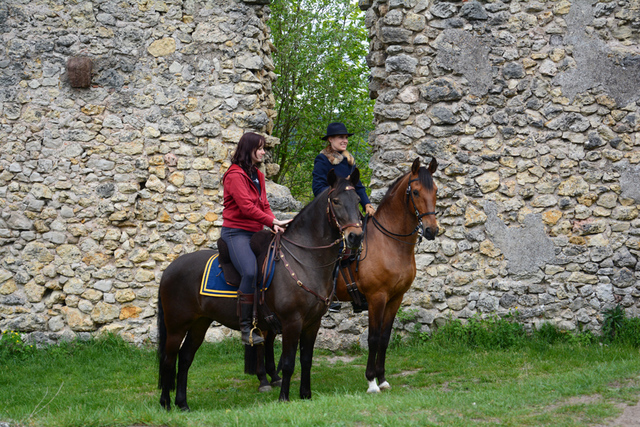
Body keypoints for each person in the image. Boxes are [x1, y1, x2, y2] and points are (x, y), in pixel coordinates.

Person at [221, 132, 292, 345]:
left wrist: (275, 222)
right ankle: (245, 328)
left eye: (264, 148)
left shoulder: (257, 175)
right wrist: (271, 222)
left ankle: (267, 316)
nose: (263, 152)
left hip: (256, 231)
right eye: (260, 148)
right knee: (251, 271)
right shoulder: (234, 175)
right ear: (249, 149)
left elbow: (264, 205)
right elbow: (246, 207)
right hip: (236, 233)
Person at [312, 122, 375, 312]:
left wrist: (366, 203)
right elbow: (318, 187)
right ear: (330, 140)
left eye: (346, 137)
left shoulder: (349, 161)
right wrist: (337, 198)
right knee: (334, 249)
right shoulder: (322, 160)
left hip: (350, 210)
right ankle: (329, 294)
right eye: (340, 137)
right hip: (332, 211)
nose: (345, 140)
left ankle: (358, 292)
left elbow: (359, 185)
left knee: (364, 245)